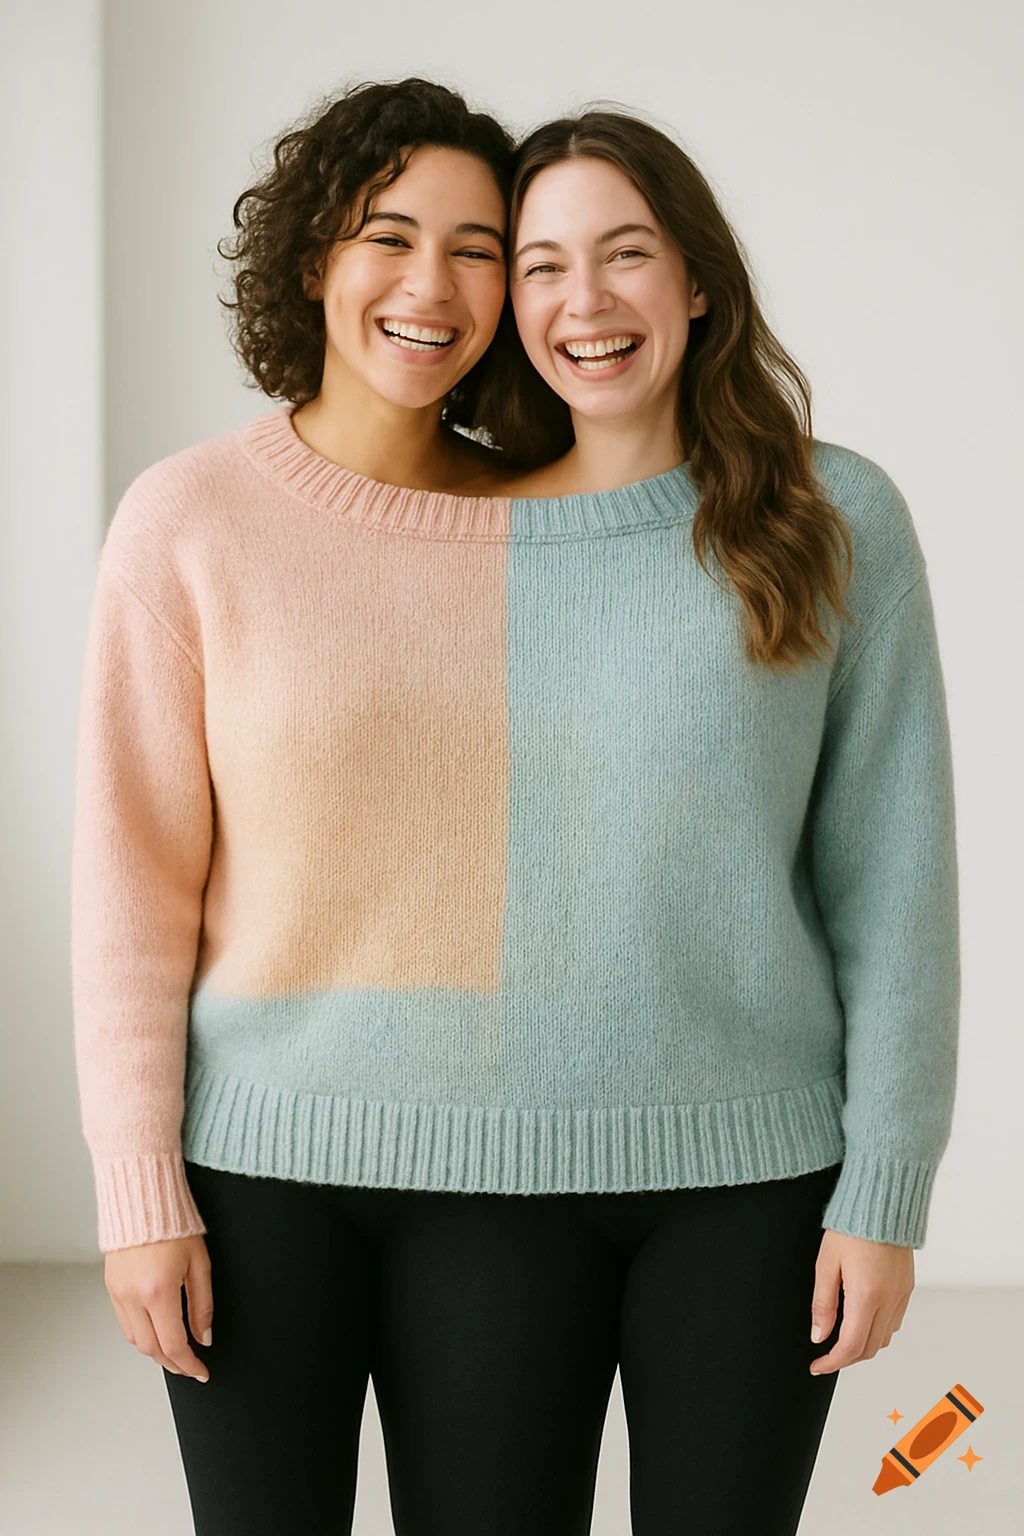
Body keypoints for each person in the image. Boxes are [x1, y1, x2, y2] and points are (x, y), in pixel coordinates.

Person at [70, 82, 959, 1536]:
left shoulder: (821, 519)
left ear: (697, 280)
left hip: (724, 1157)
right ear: (316, 259)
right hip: (312, 1157)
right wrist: (136, 1182)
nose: (560, 295)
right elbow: (133, 887)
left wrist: (891, 1182)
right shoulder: (283, 521)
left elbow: (895, 884)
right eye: (535, 259)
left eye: (499, 249)